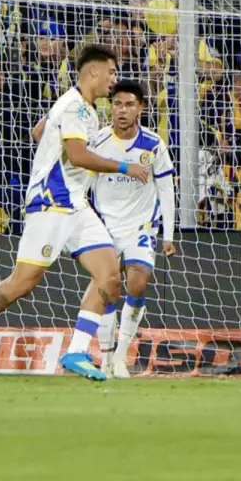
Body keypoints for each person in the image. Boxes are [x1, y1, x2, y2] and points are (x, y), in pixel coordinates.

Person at [0, 45, 149, 383]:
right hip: (50, 204)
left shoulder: (79, 107)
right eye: (111, 72)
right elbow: (79, 156)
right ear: (93, 72)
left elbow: (40, 132)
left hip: (76, 205)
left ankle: (76, 351)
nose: (114, 79)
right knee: (22, 282)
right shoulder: (75, 108)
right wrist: (124, 166)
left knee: (110, 274)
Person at [86, 80, 177, 379]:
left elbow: (166, 189)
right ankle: (107, 357)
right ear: (110, 107)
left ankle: (123, 356)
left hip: (141, 226)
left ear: (140, 108)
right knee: (107, 290)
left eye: (129, 104)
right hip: (105, 227)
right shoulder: (97, 143)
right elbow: (84, 186)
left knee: (138, 281)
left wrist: (168, 235)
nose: (122, 110)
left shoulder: (153, 144)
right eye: (117, 104)